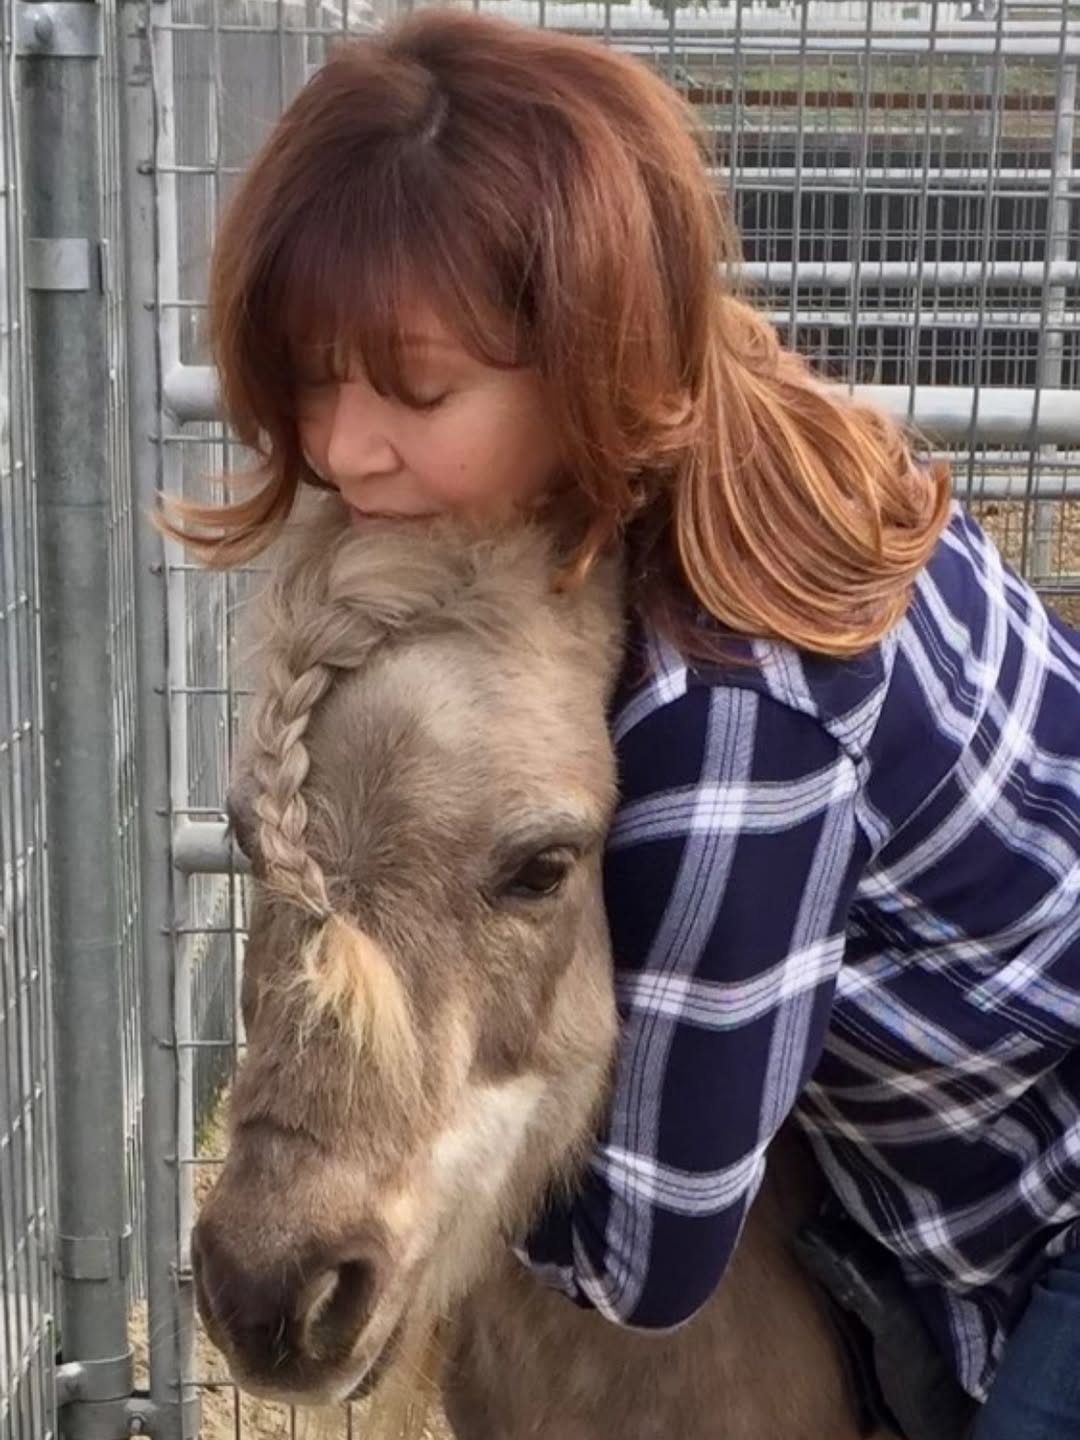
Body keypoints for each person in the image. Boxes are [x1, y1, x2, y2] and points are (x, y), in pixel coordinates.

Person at [163, 12, 1080, 1439]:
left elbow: (646, 1259)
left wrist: (399, 1188)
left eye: (418, 390)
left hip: (1042, 1190)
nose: (342, 449)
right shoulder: (677, 438)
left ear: (590, 349)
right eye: (310, 375)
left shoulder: (741, 702)